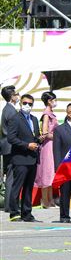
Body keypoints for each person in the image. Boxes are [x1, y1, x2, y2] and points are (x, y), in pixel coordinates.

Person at [5, 93, 41, 221]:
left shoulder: (34, 119)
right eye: (25, 103)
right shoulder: (15, 118)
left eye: (30, 104)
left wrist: (39, 139)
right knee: (17, 186)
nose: (27, 106)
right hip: (20, 157)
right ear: (20, 103)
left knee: (28, 187)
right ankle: (14, 212)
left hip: (32, 157)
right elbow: (11, 138)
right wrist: (26, 145)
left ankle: (27, 213)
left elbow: (34, 136)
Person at [35, 91, 58, 209]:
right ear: (49, 101)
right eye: (54, 99)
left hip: (52, 145)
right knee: (46, 172)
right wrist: (57, 136)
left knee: (51, 173)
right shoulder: (46, 114)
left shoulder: (51, 113)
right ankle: (45, 200)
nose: (55, 102)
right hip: (48, 145)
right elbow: (44, 132)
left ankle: (51, 199)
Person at [1, 85, 19, 213]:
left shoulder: (8, 109)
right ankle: (10, 205)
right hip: (11, 146)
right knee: (12, 176)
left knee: (11, 176)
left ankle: (10, 204)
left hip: (7, 146)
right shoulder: (11, 111)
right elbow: (13, 131)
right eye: (16, 94)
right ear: (12, 96)